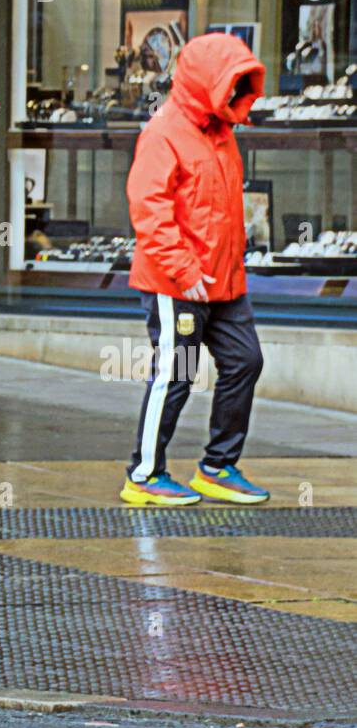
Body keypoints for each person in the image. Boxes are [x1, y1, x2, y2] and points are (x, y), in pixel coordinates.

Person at [122, 33, 270, 507]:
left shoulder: (223, 132)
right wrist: (184, 271)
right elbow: (149, 209)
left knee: (246, 361)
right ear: (206, 82)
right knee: (177, 373)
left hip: (225, 282)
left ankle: (218, 466)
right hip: (177, 283)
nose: (236, 96)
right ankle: (144, 474)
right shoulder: (163, 131)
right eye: (230, 86)